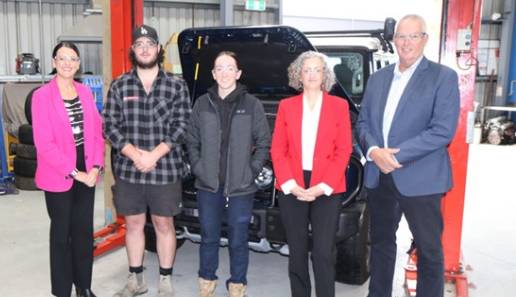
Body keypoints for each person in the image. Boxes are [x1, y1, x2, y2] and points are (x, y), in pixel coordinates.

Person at [355, 14, 460, 297]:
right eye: (401, 36)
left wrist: (395, 156)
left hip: (421, 178)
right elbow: (362, 123)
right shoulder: (378, 79)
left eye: (414, 36)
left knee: (428, 249)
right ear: (393, 41)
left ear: (425, 39)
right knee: (380, 244)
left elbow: (442, 131)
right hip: (380, 176)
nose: (406, 42)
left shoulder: (443, 77)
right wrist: (375, 151)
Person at [104, 24, 191, 297]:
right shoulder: (120, 85)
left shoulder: (176, 85)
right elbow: (110, 126)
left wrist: (153, 154)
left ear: (158, 49)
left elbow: (182, 124)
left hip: (165, 168)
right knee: (133, 224)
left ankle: (165, 281)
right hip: (129, 170)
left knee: (164, 225)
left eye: (149, 44)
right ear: (133, 50)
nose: (144, 49)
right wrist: (135, 154)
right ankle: (136, 280)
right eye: (139, 44)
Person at [185, 51, 271, 297]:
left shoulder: (252, 105)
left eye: (229, 68)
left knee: (238, 240)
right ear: (213, 74)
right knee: (209, 237)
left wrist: (251, 170)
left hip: (241, 188)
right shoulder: (202, 103)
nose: (224, 73)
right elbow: (191, 140)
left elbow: (263, 142)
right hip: (208, 186)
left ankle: (237, 284)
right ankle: (207, 282)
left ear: (238, 73)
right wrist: (198, 167)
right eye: (219, 68)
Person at [271, 51, 352, 297]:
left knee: (323, 251)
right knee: (296, 250)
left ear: (325, 75)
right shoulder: (287, 106)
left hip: (327, 186)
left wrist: (323, 186)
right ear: (299, 75)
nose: (312, 74)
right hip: (292, 185)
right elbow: (278, 149)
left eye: (318, 69)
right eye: (307, 70)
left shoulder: (339, 106)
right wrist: (290, 184)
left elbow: (344, 149)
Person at [31, 41, 105, 297]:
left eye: (72, 59)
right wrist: (76, 173)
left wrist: (95, 166)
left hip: (87, 169)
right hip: (58, 173)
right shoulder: (41, 96)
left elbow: (96, 132)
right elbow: (44, 144)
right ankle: (62, 291)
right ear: (54, 62)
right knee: (62, 235)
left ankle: (83, 286)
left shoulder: (85, 92)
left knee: (83, 233)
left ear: (78, 64)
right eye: (62, 58)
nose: (67, 63)